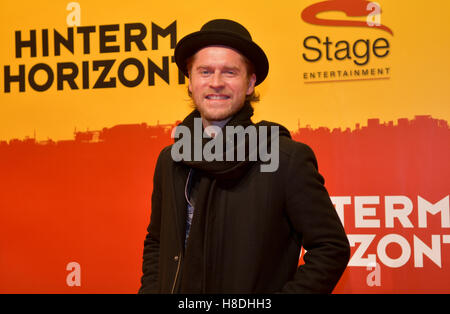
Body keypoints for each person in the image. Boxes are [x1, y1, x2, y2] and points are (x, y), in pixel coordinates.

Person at [138, 19, 350, 294]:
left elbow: (331, 247)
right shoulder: (171, 159)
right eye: (204, 72)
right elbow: (158, 242)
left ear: (250, 83)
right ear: (189, 81)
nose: (215, 83)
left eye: (229, 72)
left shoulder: (284, 157)